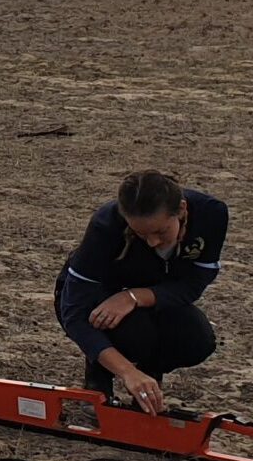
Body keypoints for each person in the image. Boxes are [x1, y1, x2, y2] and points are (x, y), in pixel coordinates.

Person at [54, 171, 227, 414]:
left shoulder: (212, 214)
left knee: (197, 339)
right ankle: (98, 377)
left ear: (182, 209)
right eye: (141, 234)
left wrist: (133, 297)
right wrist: (127, 371)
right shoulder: (105, 224)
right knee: (134, 332)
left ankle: (150, 375)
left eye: (161, 232)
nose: (152, 243)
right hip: (96, 302)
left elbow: (194, 283)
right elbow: (73, 311)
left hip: (151, 298)